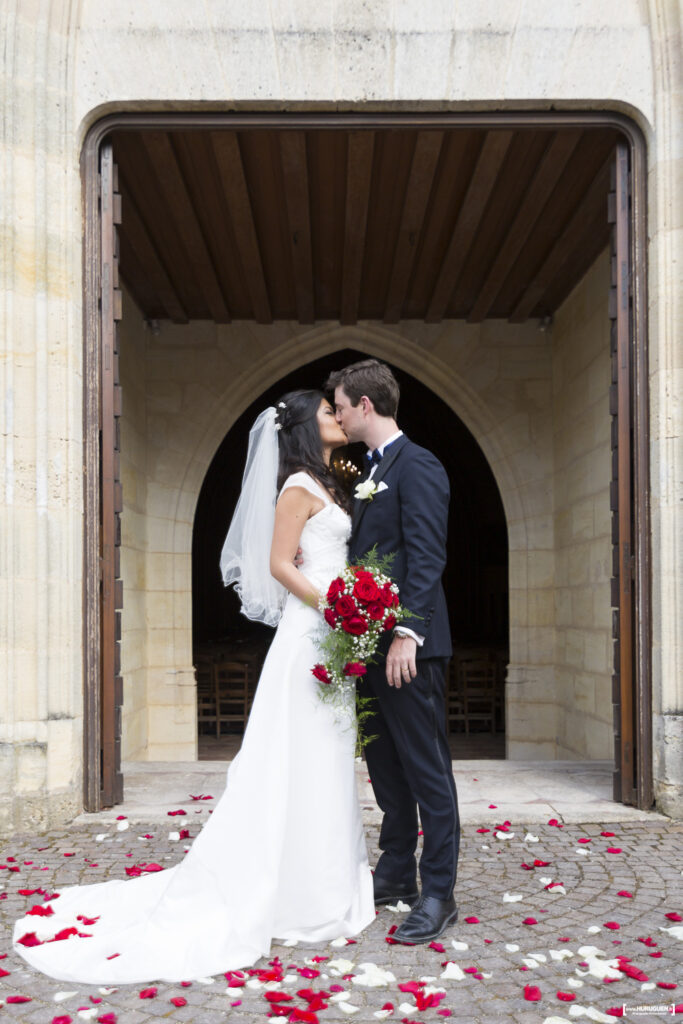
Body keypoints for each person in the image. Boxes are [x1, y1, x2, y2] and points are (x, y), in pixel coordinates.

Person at [12, 390, 374, 984]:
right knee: (299, 756)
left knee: (329, 756)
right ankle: (297, 895)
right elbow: (281, 565)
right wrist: (337, 607)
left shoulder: (328, 482)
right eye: (329, 413)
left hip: (329, 630)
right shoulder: (295, 490)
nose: (338, 417)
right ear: (308, 427)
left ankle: (324, 883)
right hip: (313, 628)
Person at [326, 358, 460, 944]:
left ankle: (438, 894)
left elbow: (427, 556)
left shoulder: (419, 465)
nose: (335, 414)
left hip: (410, 650)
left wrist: (409, 632)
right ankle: (397, 870)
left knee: (427, 770)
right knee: (386, 768)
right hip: (368, 647)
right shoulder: (368, 471)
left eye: (339, 404)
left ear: (365, 406)